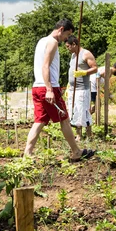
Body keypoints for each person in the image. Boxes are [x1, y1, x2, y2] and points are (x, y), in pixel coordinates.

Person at [24, 19, 94, 162]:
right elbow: (45, 66)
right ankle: (76, 152)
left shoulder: (41, 41)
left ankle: (27, 153)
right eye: (67, 34)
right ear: (61, 29)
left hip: (37, 87)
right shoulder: (52, 42)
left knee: (40, 120)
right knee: (65, 120)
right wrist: (49, 89)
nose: (66, 39)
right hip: (47, 87)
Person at [64, 36, 98, 139]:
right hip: (72, 89)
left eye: (68, 46)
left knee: (84, 111)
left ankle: (89, 135)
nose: (67, 49)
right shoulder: (73, 55)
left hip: (82, 89)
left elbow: (95, 68)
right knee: (75, 111)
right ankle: (78, 135)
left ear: (74, 44)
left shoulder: (86, 54)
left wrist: (84, 72)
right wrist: (68, 86)